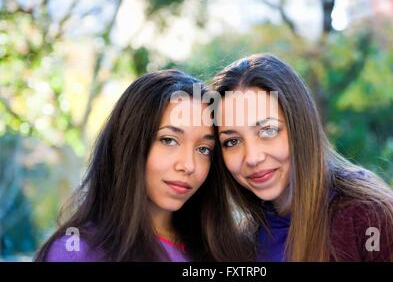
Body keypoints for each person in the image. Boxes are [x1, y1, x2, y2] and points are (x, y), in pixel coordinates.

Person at [209, 53, 393, 262]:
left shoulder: (369, 217)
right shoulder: (242, 244)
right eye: (232, 141)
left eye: (268, 130)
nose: (253, 157)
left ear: (300, 127)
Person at [34, 69, 244, 261]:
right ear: (129, 143)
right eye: (169, 140)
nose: (189, 165)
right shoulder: (75, 251)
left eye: (204, 149)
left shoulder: (224, 250)